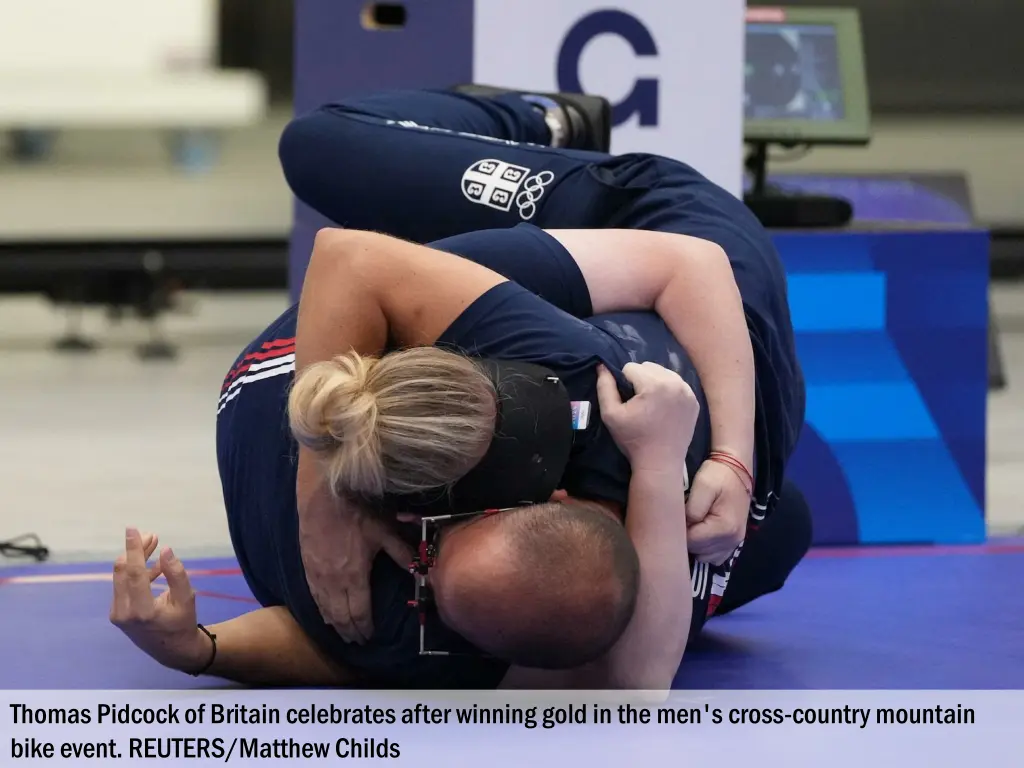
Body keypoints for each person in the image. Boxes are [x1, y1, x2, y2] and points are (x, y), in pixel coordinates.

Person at [108, 87, 812, 690]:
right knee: (319, 145)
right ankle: (542, 134)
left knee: (785, 532)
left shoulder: (456, 605)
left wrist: (200, 648)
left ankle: (545, 132)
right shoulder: (563, 377)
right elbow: (630, 688)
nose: (412, 562)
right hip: (673, 301)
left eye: (423, 578)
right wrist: (322, 493)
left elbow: (692, 261)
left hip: (643, 277)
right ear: (524, 496)